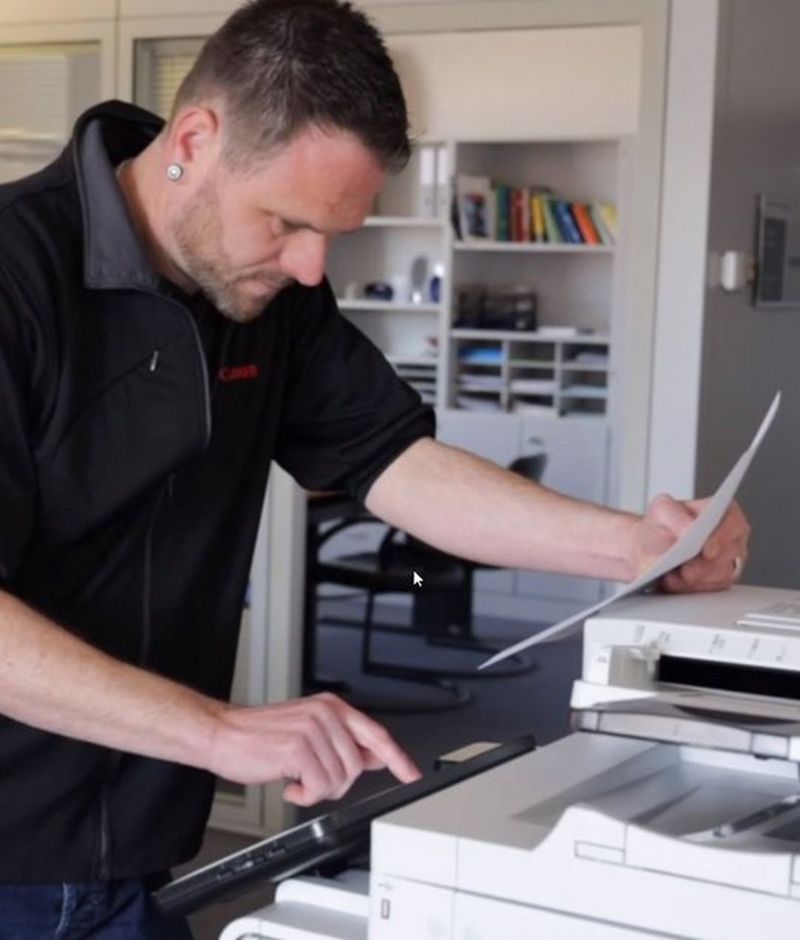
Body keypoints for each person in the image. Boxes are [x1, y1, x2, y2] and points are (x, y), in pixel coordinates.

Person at [0, 0, 748, 935]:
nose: (313, 267)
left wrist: (634, 546)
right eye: (287, 223)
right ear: (194, 140)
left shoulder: (265, 293)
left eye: (335, 234)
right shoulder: (16, 277)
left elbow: (396, 460)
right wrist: (219, 730)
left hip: (137, 837)